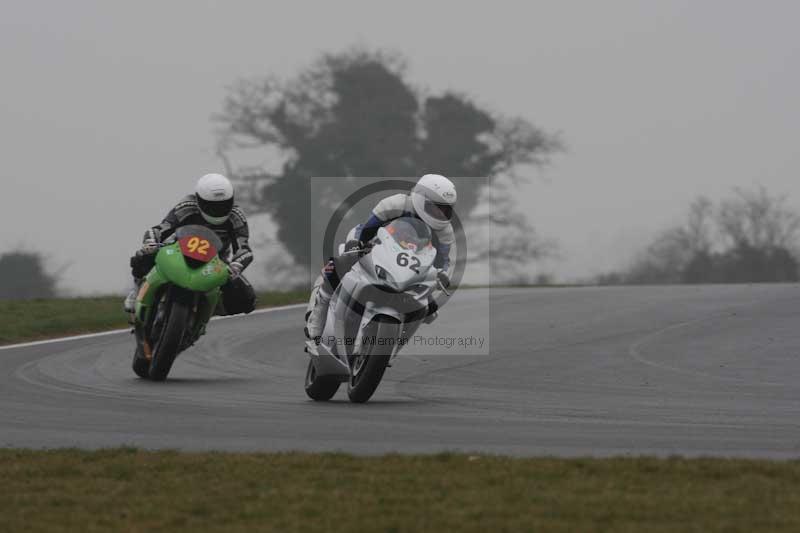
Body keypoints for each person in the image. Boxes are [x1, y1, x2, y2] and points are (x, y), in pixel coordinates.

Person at [305, 173, 457, 340]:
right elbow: (366, 228)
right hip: (377, 248)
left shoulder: (445, 231)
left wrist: (442, 275)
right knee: (339, 264)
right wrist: (357, 244)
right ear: (421, 198)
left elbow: (442, 261)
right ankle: (318, 315)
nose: (440, 213)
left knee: (428, 310)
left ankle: (396, 343)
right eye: (435, 207)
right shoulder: (396, 204)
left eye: (445, 210)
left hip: (412, 268)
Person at [124, 173, 256, 315]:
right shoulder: (187, 206)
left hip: (216, 260)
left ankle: (211, 309)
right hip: (178, 250)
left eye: (223, 205)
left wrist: (235, 267)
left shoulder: (236, 216)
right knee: (145, 255)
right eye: (211, 206)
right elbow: (160, 228)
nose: (218, 210)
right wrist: (151, 243)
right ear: (199, 200)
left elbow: (244, 248)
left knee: (247, 300)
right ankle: (137, 288)